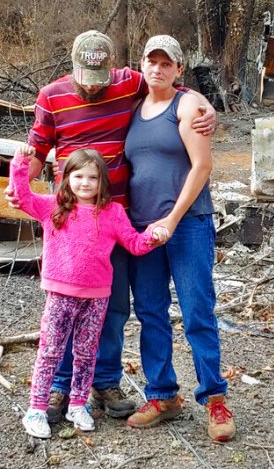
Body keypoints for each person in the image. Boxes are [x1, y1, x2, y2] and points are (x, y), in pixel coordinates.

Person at [5, 30, 216, 423]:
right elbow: (36, 145)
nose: (92, 85)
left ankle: (103, 380)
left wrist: (204, 109)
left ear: (114, 70)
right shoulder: (52, 96)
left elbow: (170, 86)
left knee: (111, 305)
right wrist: (21, 183)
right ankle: (59, 386)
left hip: (116, 215)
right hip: (68, 216)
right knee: (64, 302)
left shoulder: (129, 83)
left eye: (100, 78)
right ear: (72, 66)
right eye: (85, 77)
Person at [123, 35, 235, 442]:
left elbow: (202, 166)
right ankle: (163, 395)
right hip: (142, 228)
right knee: (151, 312)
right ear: (141, 64)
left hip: (186, 225)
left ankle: (215, 400)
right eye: (151, 61)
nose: (157, 69)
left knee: (196, 312)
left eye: (166, 63)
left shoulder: (188, 105)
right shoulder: (132, 108)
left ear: (178, 69)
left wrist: (172, 219)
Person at [10, 145, 164, 438]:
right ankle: (37, 408)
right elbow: (21, 196)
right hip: (60, 294)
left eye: (92, 177)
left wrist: (153, 237)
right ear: (67, 177)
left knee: (86, 352)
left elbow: (133, 243)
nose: (85, 183)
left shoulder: (113, 213)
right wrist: (20, 163)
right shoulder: (53, 206)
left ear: (101, 182)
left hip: (97, 296)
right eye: (78, 176)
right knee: (51, 350)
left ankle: (78, 404)